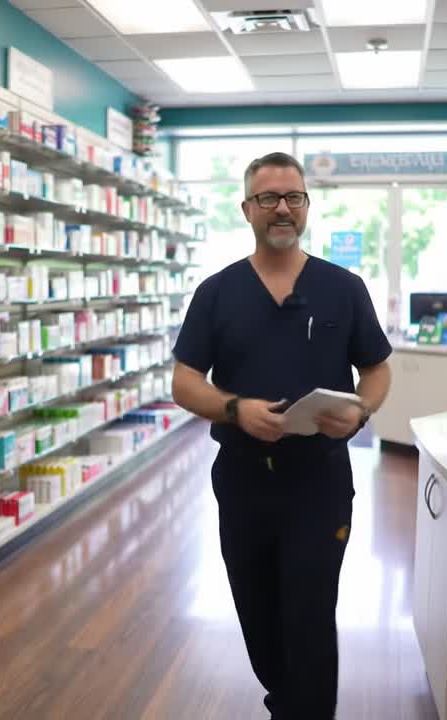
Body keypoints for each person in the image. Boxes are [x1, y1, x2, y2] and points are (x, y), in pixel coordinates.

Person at [171, 152, 393, 719]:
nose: (281, 209)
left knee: (311, 612)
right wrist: (234, 408)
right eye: (268, 198)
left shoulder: (342, 287)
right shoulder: (217, 292)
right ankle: (284, 702)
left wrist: (363, 410)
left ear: (306, 207)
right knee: (258, 611)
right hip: (243, 482)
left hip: (318, 481)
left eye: (293, 197)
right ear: (247, 209)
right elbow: (184, 382)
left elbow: (377, 369)